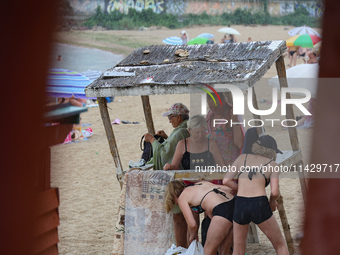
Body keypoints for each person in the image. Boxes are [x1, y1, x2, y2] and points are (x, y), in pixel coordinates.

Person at [163, 114, 226, 249]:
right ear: (190, 130)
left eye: (203, 132)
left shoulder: (211, 143)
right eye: (197, 132)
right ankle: (192, 249)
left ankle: (211, 248)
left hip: (210, 187)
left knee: (211, 222)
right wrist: (168, 167)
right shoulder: (182, 144)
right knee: (192, 225)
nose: (200, 135)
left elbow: (221, 166)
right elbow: (175, 166)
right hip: (190, 188)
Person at [223, 135, 289, 255]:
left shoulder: (242, 158)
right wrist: (272, 201)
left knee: (238, 250)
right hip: (259, 203)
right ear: (271, 151)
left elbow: (226, 181)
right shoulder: (272, 164)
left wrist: (241, 189)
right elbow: (274, 192)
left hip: (241, 203)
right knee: (279, 245)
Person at [164, 180, 234, 255]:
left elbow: (192, 224)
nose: (177, 204)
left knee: (208, 251)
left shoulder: (182, 198)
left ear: (173, 195)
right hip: (234, 204)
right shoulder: (200, 184)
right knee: (224, 251)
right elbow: (229, 189)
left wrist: (192, 235)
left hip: (221, 211)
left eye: (174, 202)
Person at [144, 103, 190, 170]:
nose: (169, 121)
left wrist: (152, 140)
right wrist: (166, 137)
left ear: (178, 118)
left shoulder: (180, 132)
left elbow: (165, 154)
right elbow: (175, 146)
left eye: (170, 117)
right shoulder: (186, 128)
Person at [206, 93, 244, 167]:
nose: (214, 111)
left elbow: (239, 143)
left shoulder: (230, 115)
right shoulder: (210, 114)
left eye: (217, 107)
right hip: (213, 165)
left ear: (224, 101)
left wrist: (235, 120)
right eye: (211, 107)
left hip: (229, 166)